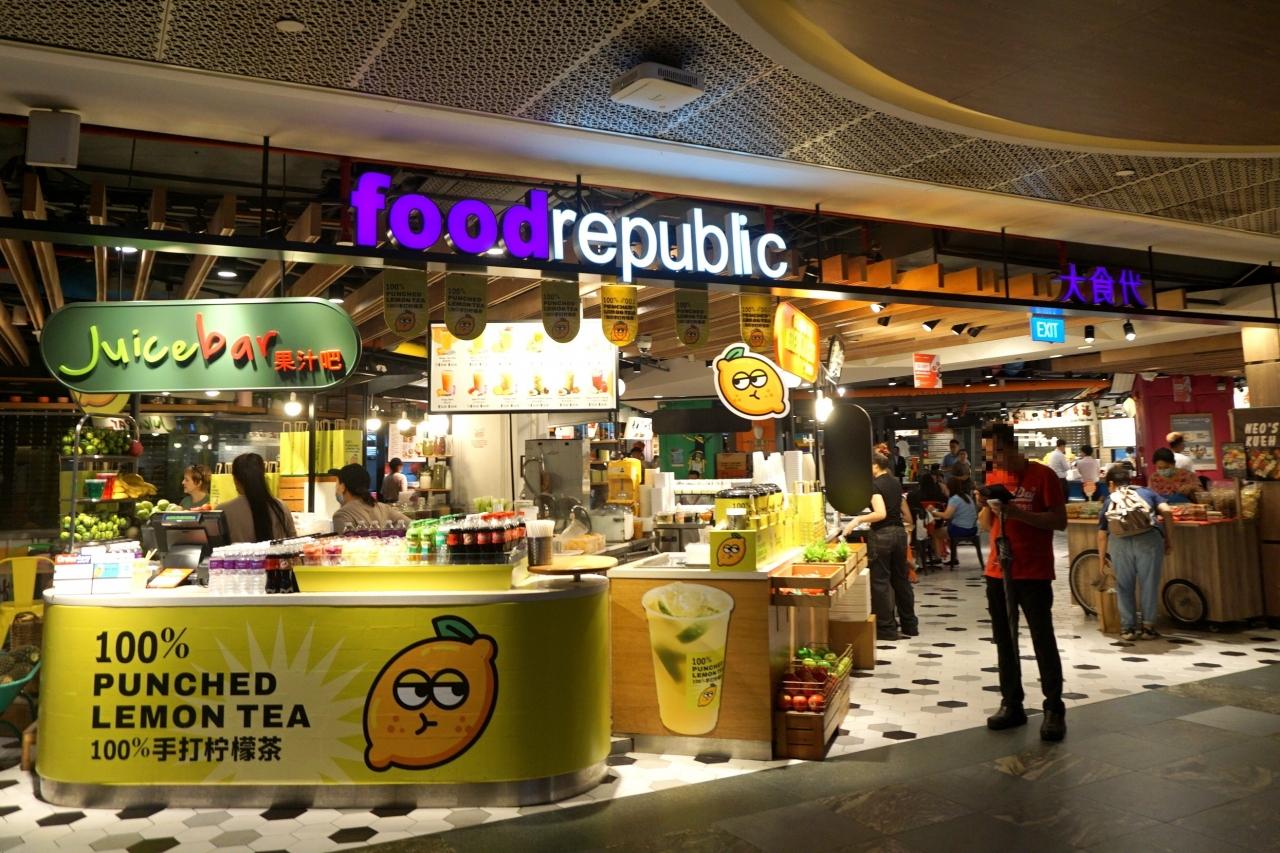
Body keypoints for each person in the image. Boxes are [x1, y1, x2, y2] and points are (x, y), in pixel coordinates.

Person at [977, 422, 1067, 741]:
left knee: (1043, 638)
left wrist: (1018, 514)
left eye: (997, 452)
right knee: (1004, 640)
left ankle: (1054, 707)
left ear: (1012, 447)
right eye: (989, 454)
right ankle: (1011, 703)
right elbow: (986, 525)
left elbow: (1059, 521)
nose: (994, 460)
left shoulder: (1044, 476)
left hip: (1034, 571)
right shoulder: (993, 478)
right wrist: (986, 507)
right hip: (998, 571)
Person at [843, 452, 917, 641]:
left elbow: (880, 513)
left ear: (875, 466)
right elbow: (898, 509)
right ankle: (910, 625)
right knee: (901, 580)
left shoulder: (875, 485)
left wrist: (857, 520)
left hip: (883, 535)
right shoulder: (895, 482)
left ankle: (886, 628)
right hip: (899, 534)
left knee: (880, 582)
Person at [1097, 465, 1172, 641]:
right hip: (1148, 541)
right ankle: (1148, 628)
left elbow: (1102, 534)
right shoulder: (1147, 492)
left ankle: (1128, 628)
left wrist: (1102, 560)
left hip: (1120, 544)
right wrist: (1169, 540)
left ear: (1111, 484)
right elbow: (1167, 511)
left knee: (1124, 586)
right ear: (1129, 480)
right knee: (1149, 584)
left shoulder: (1110, 499)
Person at [218, 453, 297, 543]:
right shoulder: (280, 506)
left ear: (235, 479)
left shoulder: (222, 511)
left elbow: (215, 546)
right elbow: (293, 541)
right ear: (262, 477)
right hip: (276, 553)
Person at [333, 464, 411, 533]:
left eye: (337, 485)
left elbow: (345, 544)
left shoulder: (342, 515)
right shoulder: (383, 507)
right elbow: (412, 526)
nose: (336, 489)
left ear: (343, 487)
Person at [932, 477, 978, 568]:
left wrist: (933, 511)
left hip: (962, 530)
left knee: (935, 533)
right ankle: (954, 558)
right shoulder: (967, 497)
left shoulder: (954, 499)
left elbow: (947, 515)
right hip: (973, 529)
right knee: (948, 530)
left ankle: (938, 558)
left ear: (949, 487)